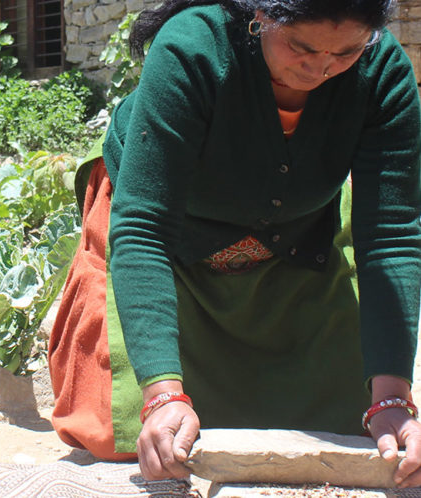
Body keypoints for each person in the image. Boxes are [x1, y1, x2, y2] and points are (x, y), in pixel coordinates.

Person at [48, 0, 421, 488]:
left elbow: (389, 238)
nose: (320, 68)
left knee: (347, 425)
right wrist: (162, 395)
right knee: (121, 432)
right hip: (161, 228)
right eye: (301, 47)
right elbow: (144, 229)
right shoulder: (193, 48)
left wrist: (393, 397)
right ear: (260, 15)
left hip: (291, 235)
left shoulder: (383, 70)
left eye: (347, 52)